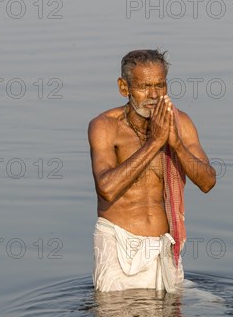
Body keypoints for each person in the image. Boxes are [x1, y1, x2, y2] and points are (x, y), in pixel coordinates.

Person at [88, 49, 216, 292]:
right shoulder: (105, 126)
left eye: (160, 85)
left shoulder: (180, 123)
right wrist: (155, 143)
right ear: (124, 88)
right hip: (117, 244)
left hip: (163, 247)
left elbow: (208, 182)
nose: (154, 95)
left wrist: (175, 144)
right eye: (144, 87)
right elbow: (106, 188)